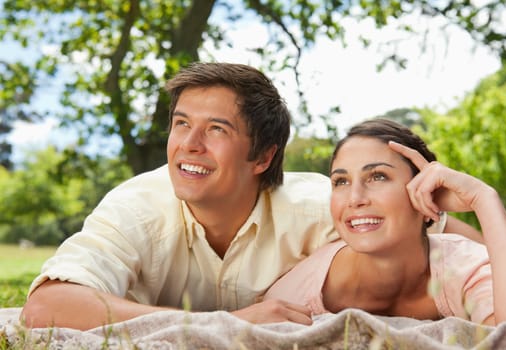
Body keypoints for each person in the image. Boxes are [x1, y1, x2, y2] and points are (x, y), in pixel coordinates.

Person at [20, 63, 481, 331]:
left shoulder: (322, 203)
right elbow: (46, 306)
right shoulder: (137, 208)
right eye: (182, 123)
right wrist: (234, 322)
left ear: (262, 155)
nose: (189, 144)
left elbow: (453, 242)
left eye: (215, 129)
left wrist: (470, 203)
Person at [264, 118, 506, 326]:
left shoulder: (465, 267)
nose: (355, 199)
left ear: (426, 190)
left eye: (378, 176)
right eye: (341, 182)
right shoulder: (297, 292)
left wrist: (484, 198)